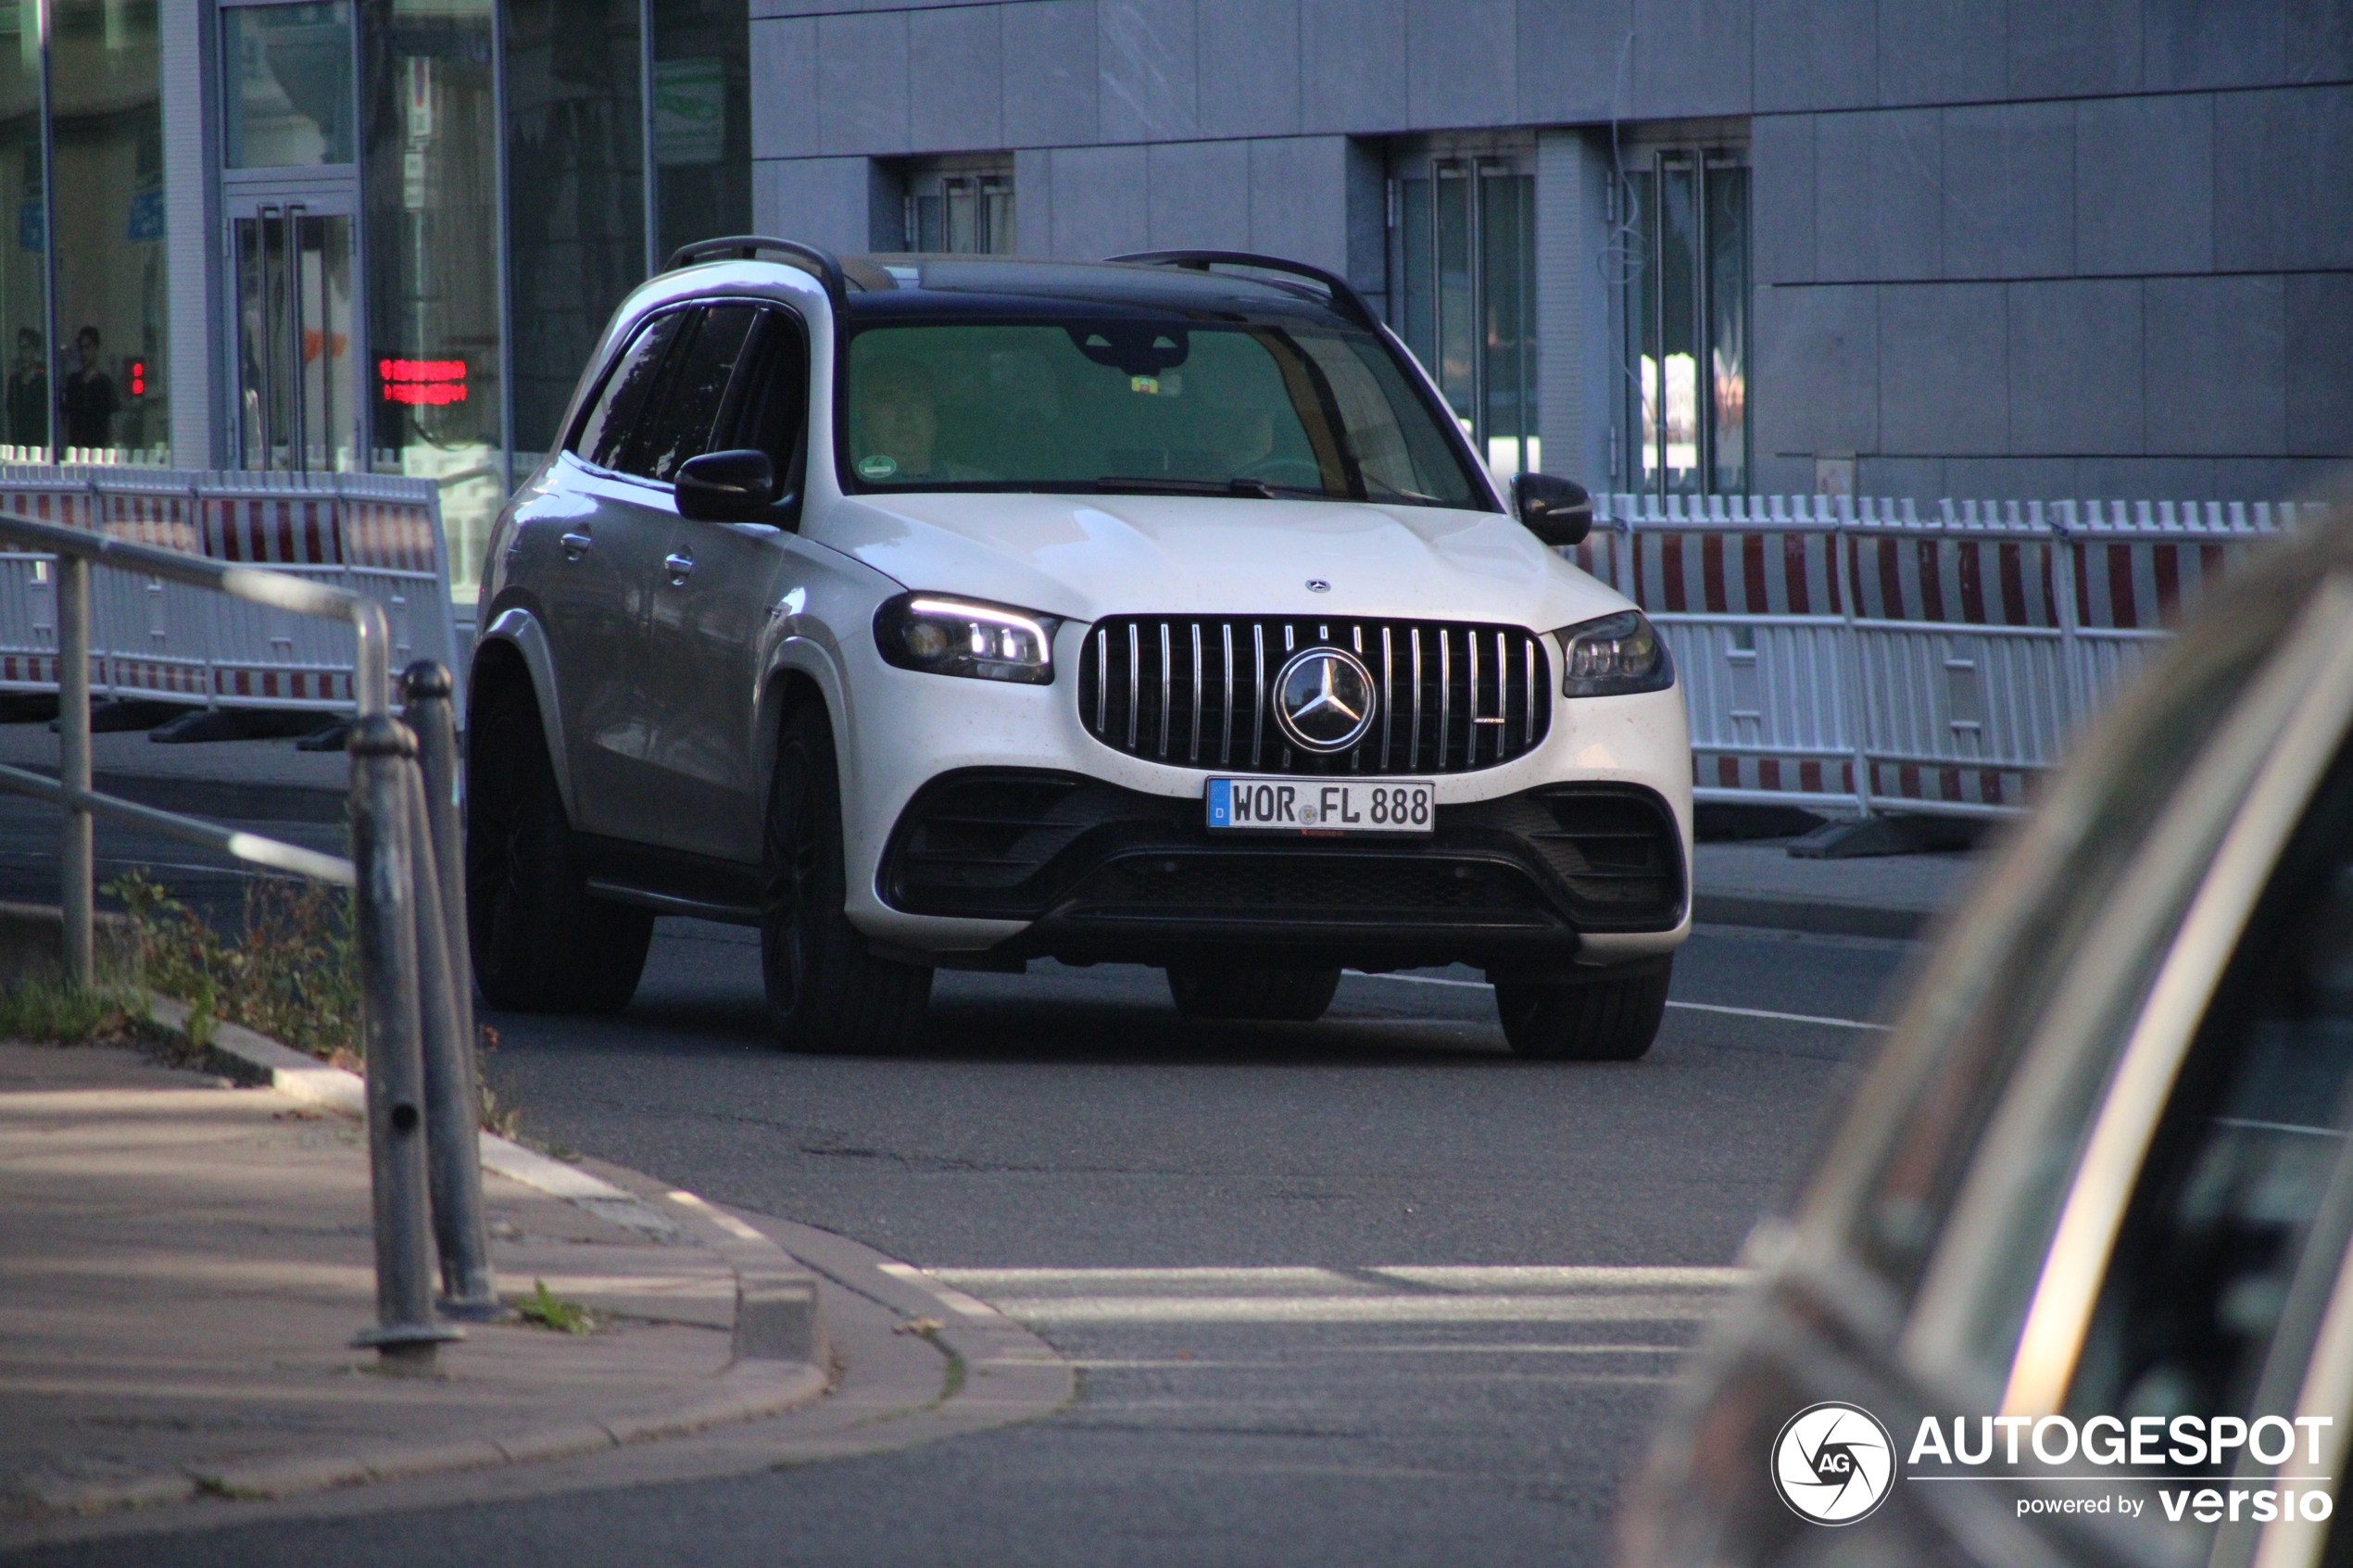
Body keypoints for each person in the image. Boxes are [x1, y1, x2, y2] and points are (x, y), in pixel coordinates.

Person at [60, 325, 116, 452]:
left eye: (87, 348)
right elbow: (67, 420)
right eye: (81, 348)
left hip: (98, 450)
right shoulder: (73, 382)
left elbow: (112, 421)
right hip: (76, 449)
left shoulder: (105, 383)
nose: (84, 353)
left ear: (96, 348)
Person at [6, 327, 44, 450]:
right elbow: (11, 416)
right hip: (18, 445)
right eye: (21, 348)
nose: (23, 354)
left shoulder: (42, 382)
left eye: (26, 348)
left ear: (34, 350)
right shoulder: (15, 382)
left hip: (38, 446)